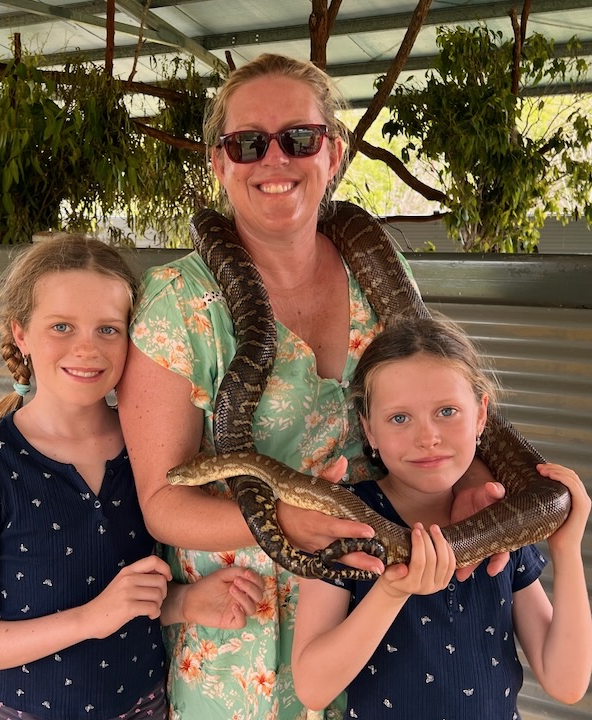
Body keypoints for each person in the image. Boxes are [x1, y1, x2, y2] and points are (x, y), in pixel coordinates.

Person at [117, 54, 504, 720]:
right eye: (247, 143)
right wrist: (278, 521)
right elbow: (162, 502)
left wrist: (471, 483)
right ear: (219, 163)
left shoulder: (377, 273)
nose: (275, 158)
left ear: (333, 154)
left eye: (300, 138)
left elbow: (436, 402)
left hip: (376, 633)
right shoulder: (178, 303)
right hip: (240, 651)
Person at [0, 234, 266, 720]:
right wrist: (90, 619)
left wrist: (186, 602)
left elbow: (131, 601)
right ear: (21, 334)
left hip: (143, 707)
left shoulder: (148, 451)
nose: (87, 348)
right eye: (61, 326)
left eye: (109, 329)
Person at [291, 317, 592, 718]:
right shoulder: (344, 522)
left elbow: (566, 683)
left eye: (447, 411)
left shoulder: (504, 521)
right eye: (400, 418)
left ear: (481, 416)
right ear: (369, 430)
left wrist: (567, 548)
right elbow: (312, 688)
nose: (427, 437)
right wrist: (390, 593)